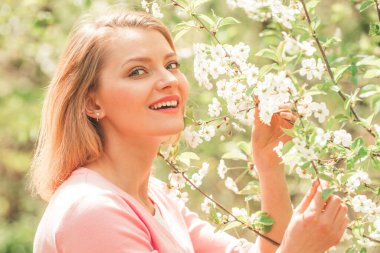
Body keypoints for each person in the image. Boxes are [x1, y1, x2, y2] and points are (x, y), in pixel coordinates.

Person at [31, 8, 349, 253]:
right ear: (91, 103)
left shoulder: (155, 197)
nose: (169, 80)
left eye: (171, 65)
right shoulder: (91, 210)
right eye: (137, 71)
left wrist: (268, 164)